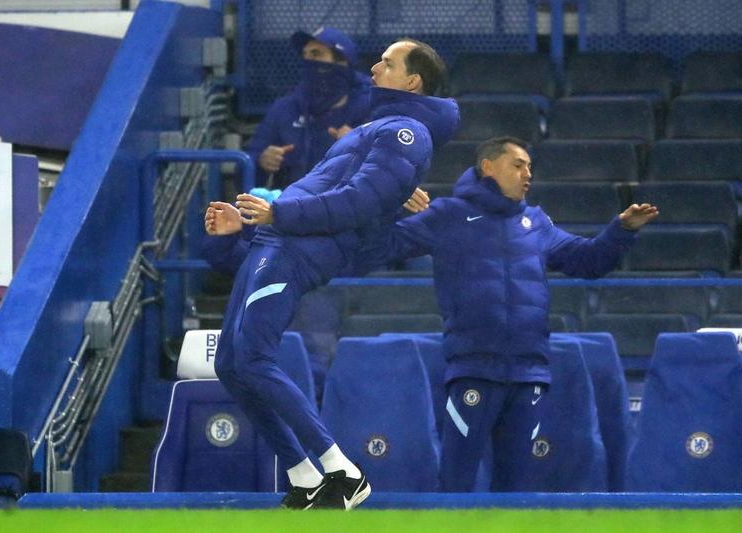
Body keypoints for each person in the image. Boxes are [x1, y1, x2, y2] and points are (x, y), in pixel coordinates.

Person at [205, 39, 459, 509]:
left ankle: (343, 471)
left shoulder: (406, 133)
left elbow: (358, 203)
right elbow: (353, 195)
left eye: (387, 62)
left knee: (254, 357)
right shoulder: (379, 127)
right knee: (231, 364)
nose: (374, 68)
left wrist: (279, 214)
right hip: (278, 241)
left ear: (412, 81)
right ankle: (304, 477)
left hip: (295, 246)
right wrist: (244, 230)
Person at [365, 136, 659, 491]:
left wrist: (622, 230)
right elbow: (382, 246)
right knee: (456, 481)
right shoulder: (448, 215)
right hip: (473, 368)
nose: (527, 174)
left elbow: (588, 260)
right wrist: (389, 206)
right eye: (518, 165)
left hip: (528, 373)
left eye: (530, 167)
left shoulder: (536, 223)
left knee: (517, 487)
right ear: (488, 167)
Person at [245, 27, 373, 190]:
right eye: (305, 55)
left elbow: (392, 171)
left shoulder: (373, 110)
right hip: (291, 202)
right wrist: (261, 162)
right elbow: (244, 169)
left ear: (342, 63)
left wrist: (361, 149)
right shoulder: (285, 109)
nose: (308, 61)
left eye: (316, 54)